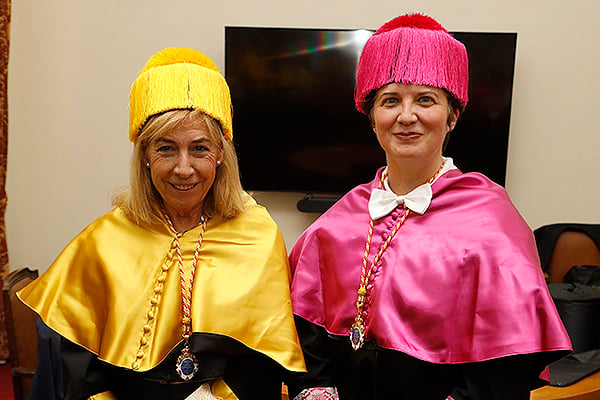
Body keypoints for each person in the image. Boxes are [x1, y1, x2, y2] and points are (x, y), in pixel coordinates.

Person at [287, 13, 572, 400]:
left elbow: (511, 357)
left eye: (425, 99)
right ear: (372, 118)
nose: (407, 116)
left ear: (452, 116)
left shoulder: (492, 219)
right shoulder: (340, 218)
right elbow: (304, 326)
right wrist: (316, 388)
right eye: (390, 101)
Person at [18, 47, 305, 400]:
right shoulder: (103, 240)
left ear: (220, 156)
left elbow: (268, 360)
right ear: (145, 159)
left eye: (199, 148)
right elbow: (77, 369)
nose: (183, 168)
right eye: (166, 149)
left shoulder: (258, 235)